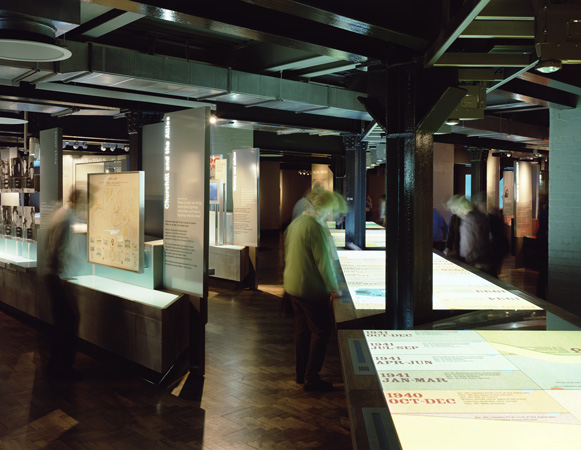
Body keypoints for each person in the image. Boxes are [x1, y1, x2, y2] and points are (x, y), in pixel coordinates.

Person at [284, 188, 344, 392]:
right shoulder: (315, 228)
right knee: (320, 331)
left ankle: (301, 374)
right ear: (326, 208)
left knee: (301, 332)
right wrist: (335, 288)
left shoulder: (296, 223)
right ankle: (312, 377)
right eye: (332, 210)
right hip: (310, 290)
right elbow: (324, 264)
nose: (332, 215)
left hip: (293, 287)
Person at [44, 189, 83, 379]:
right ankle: (63, 367)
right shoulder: (65, 218)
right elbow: (56, 250)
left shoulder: (63, 215)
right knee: (68, 322)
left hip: (56, 276)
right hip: (57, 278)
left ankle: (56, 365)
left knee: (63, 323)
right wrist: (60, 276)